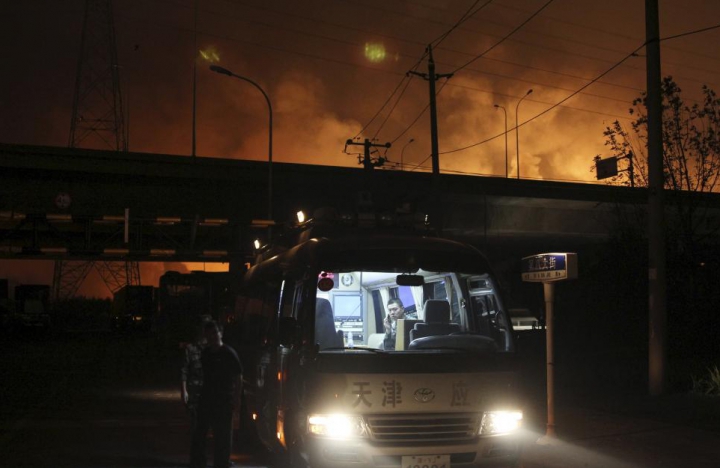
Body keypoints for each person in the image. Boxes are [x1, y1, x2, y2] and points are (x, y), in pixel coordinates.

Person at [190, 320, 243, 468]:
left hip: (224, 400)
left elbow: (239, 376)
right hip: (206, 399)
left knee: (223, 436)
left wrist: (236, 398)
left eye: (214, 333)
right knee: (200, 433)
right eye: (209, 334)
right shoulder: (206, 353)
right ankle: (199, 462)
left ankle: (221, 463)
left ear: (220, 333)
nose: (212, 337)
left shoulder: (229, 353)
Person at [181, 319, 207, 436]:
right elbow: (184, 370)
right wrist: (184, 390)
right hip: (194, 390)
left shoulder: (213, 348)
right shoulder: (190, 349)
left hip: (208, 390)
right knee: (195, 421)